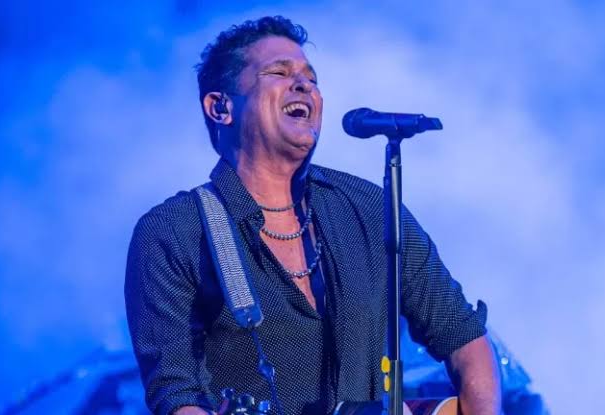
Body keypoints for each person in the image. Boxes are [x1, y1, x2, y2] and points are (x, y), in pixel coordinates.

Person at [125, 16, 501, 415]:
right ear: (221, 107)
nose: (303, 85)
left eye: (311, 78)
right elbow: (176, 393)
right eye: (278, 72)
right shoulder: (174, 232)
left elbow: (463, 334)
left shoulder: (369, 209)